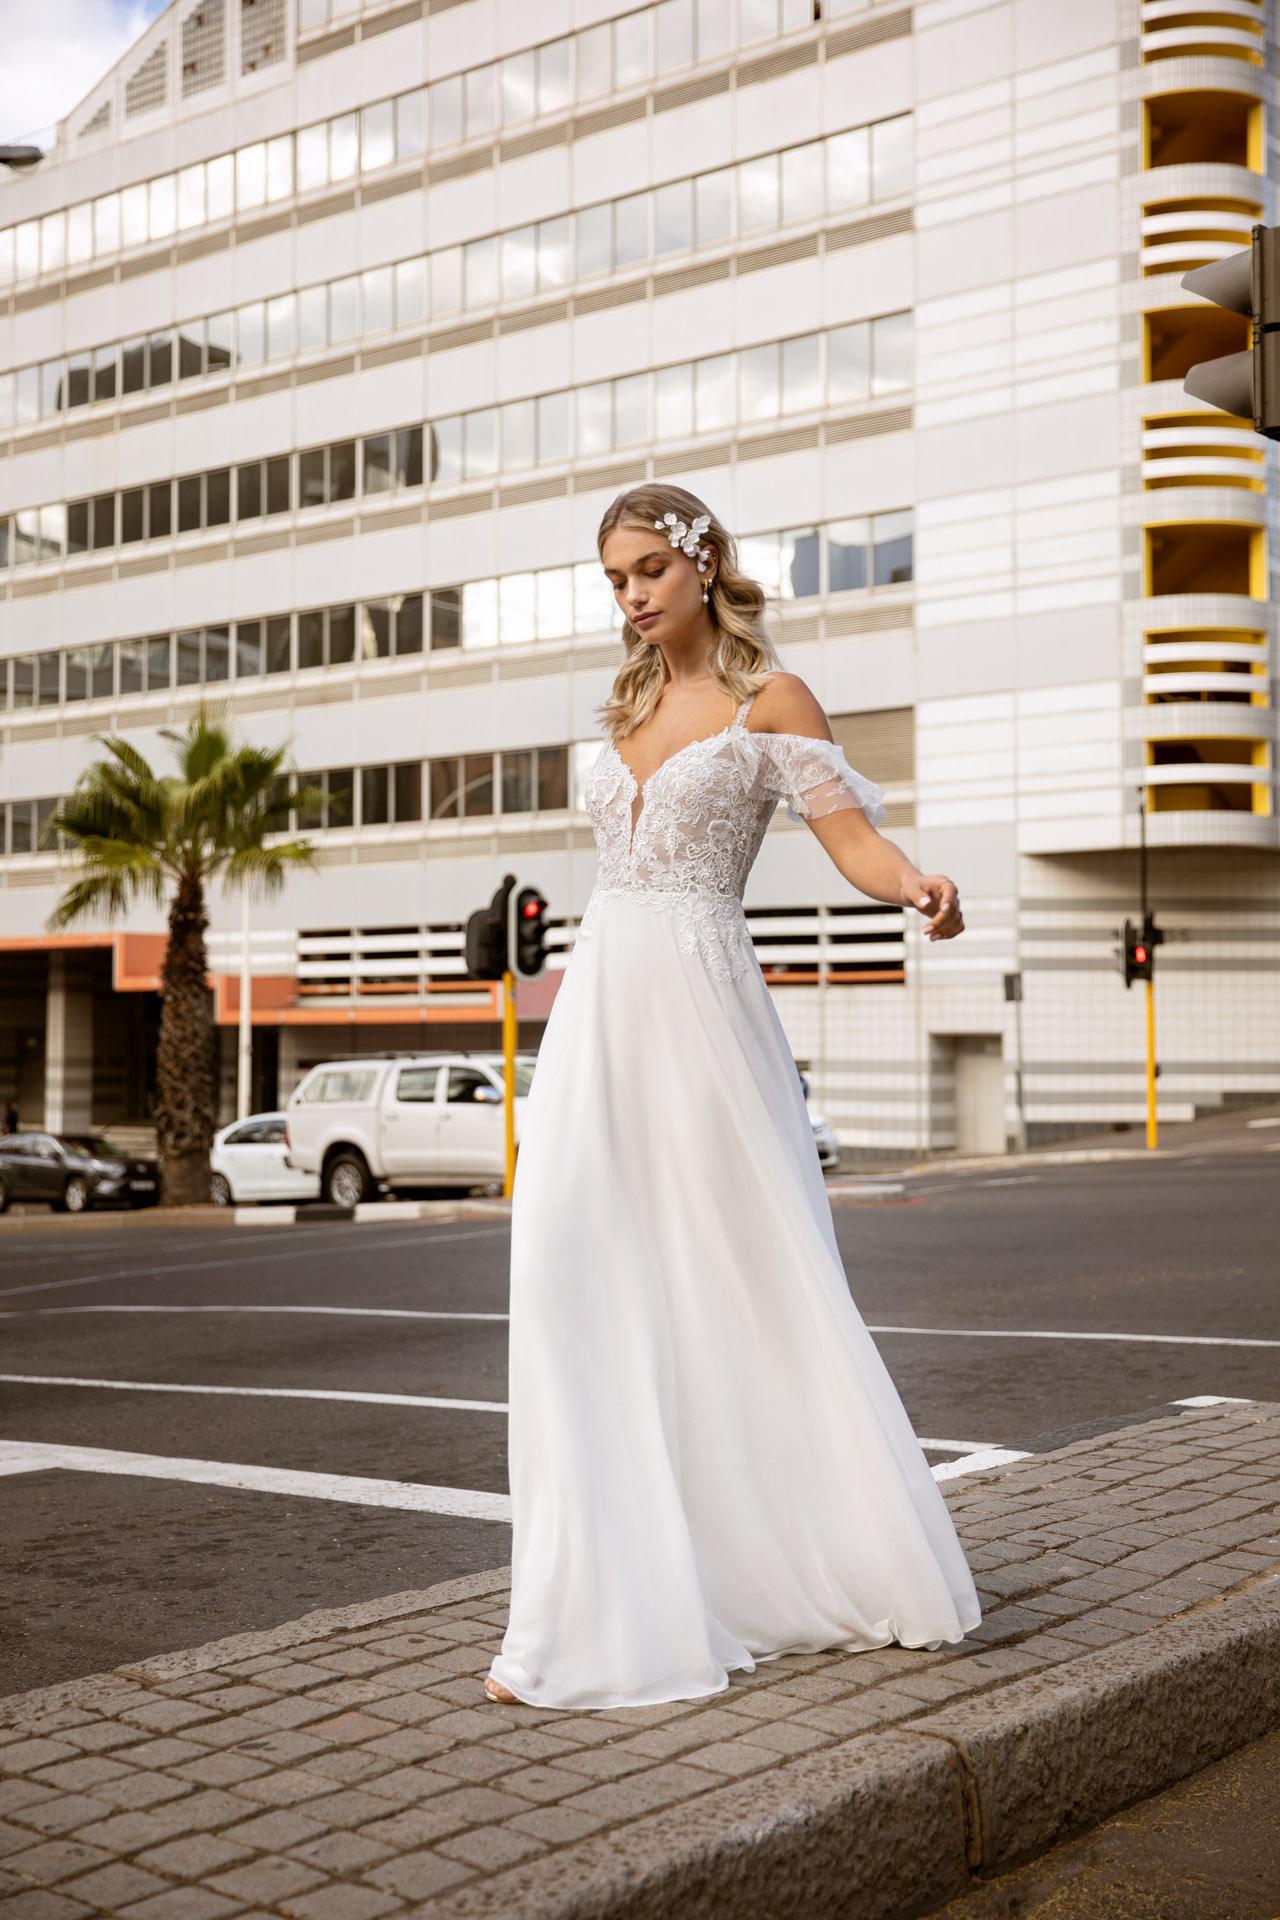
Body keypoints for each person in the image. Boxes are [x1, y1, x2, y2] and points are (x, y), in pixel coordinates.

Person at [484, 484, 979, 1710]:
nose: (632, 594)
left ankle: (779, 1557)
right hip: (600, 1010)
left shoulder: (772, 701)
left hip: (701, 1009)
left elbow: (850, 838)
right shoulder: (629, 701)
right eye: (614, 578)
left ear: (703, 565)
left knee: (733, 1276)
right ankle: (588, 1592)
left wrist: (912, 882)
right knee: (566, 1274)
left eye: (649, 568)